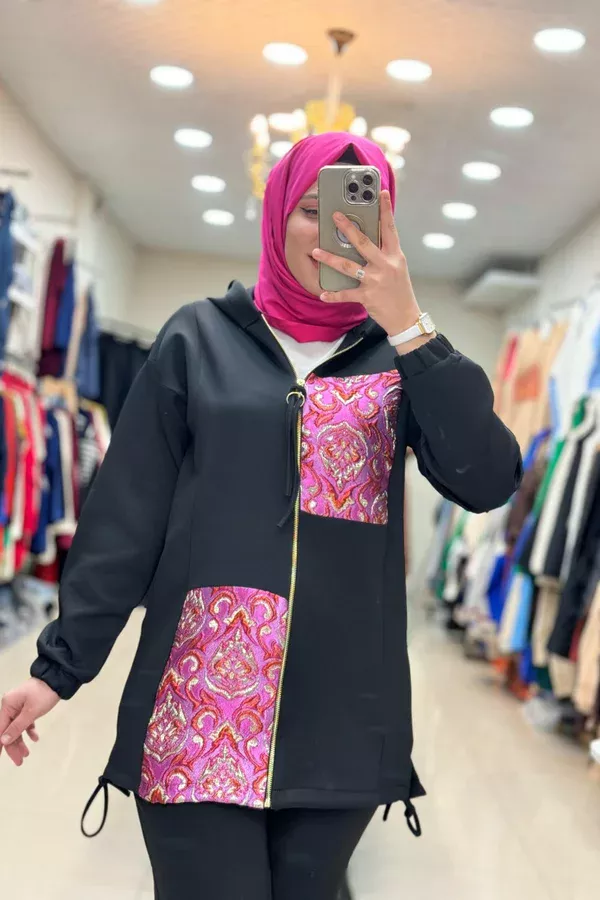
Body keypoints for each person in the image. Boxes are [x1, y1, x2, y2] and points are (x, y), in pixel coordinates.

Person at [0, 133, 522, 899]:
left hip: (341, 717)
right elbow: (125, 520)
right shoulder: (197, 338)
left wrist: (411, 326)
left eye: (357, 213)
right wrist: (58, 669)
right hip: (196, 706)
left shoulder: (399, 360)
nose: (332, 230)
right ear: (276, 215)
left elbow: (489, 478)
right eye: (311, 209)